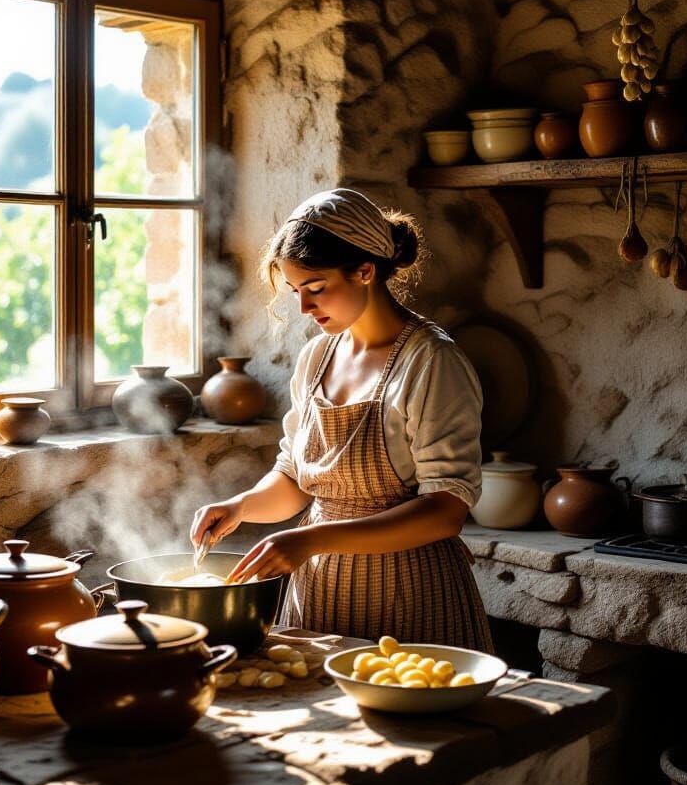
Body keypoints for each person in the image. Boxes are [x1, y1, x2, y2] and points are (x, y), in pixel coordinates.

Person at [190, 188, 493, 650]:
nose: (304, 309)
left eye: (315, 289)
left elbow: (445, 510)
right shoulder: (316, 358)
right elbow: (294, 479)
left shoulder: (431, 362)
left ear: (365, 271)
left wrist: (310, 541)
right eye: (295, 292)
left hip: (409, 596)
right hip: (319, 594)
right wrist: (242, 507)